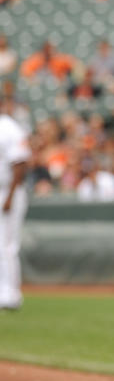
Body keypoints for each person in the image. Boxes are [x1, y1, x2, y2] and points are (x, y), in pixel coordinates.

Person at [0, 95, 30, 311]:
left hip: (7, 190)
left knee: (7, 246)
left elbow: (20, 162)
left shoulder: (9, 127)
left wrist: (10, 195)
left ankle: (11, 294)